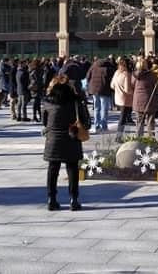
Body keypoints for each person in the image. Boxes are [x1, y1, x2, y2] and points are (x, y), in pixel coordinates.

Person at [42, 73, 88, 211]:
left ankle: (52, 199)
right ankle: (73, 200)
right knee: (72, 169)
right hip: (71, 137)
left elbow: (45, 122)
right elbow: (86, 122)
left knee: (53, 169)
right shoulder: (76, 102)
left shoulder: (48, 102)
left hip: (53, 139)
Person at [86, 55, 115, 132]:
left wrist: (90, 86)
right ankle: (104, 126)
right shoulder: (109, 68)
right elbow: (112, 79)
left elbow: (88, 77)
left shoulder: (93, 66)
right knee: (104, 109)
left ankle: (96, 126)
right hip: (104, 90)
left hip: (94, 90)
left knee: (96, 108)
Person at [133, 58, 158, 138]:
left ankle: (139, 139)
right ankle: (151, 139)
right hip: (150, 100)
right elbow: (157, 86)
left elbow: (132, 85)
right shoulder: (152, 75)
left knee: (139, 122)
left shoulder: (134, 75)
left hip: (138, 101)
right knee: (150, 122)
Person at [112, 59, 135, 141]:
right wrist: (134, 92)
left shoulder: (116, 73)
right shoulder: (126, 74)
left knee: (123, 117)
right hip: (125, 99)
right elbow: (127, 90)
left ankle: (121, 136)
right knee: (123, 118)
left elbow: (112, 85)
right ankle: (119, 136)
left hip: (118, 98)